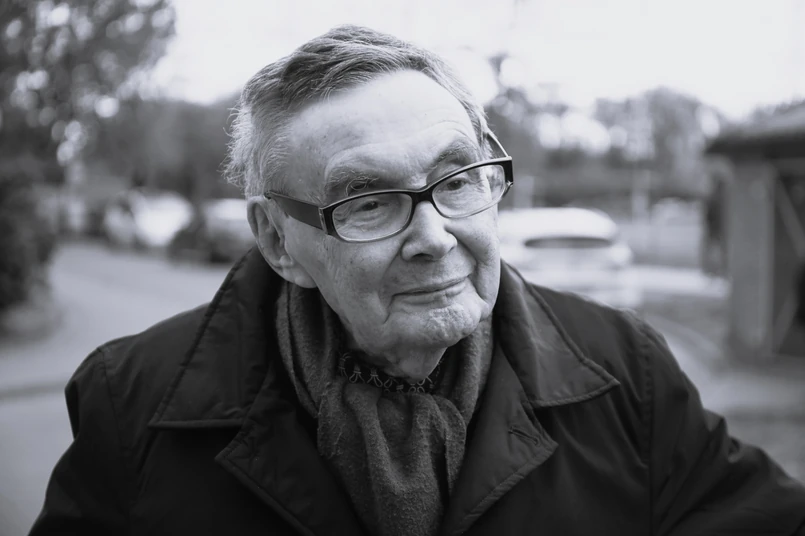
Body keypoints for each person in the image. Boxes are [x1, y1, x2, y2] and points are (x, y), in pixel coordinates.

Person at [31, 25, 805, 536]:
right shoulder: (134, 403)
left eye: (457, 180)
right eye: (368, 202)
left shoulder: (624, 371)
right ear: (277, 241)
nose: (434, 239)